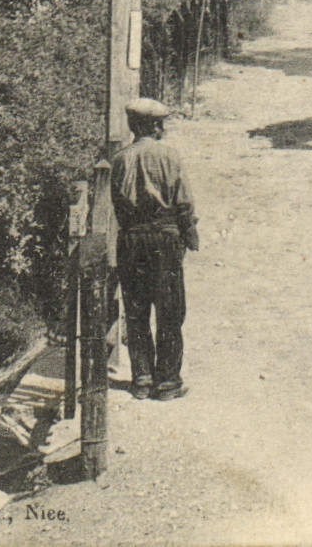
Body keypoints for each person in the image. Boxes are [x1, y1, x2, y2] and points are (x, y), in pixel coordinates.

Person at [109, 98, 200, 400]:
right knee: (170, 310)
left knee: (136, 310)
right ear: (153, 126)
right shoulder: (169, 157)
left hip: (132, 239)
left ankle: (142, 379)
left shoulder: (120, 159)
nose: (162, 128)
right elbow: (183, 202)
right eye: (159, 123)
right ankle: (168, 382)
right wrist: (189, 232)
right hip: (164, 238)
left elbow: (117, 206)